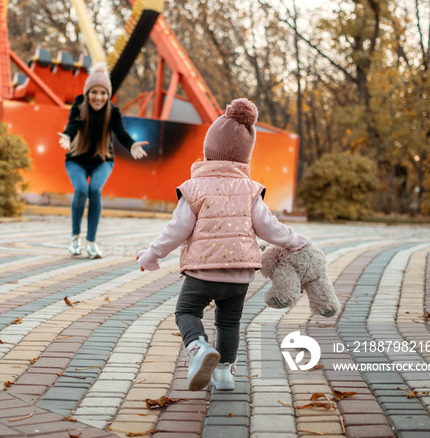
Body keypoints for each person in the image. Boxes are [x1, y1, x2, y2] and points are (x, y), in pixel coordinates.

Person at [136, 98, 307, 391]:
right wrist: (295, 241)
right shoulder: (251, 190)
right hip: (240, 274)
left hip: (202, 272)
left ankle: (198, 348)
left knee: (186, 313)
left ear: (208, 150)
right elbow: (269, 227)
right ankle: (225, 374)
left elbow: (177, 229)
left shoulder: (194, 188)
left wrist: (152, 254)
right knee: (228, 323)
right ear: (245, 157)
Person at [58, 62, 148, 259]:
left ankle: (91, 242)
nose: (98, 97)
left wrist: (132, 145)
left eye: (103, 93)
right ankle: (75, 238)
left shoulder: (113, 112)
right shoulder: (79, 104)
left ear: (108, 94)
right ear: (88, 92)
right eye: (94, 92)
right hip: (76, 160)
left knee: (95, 191)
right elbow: (72, 125)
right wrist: (67, 136)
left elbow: (121, 133)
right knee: (81, 190)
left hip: (102, 161)